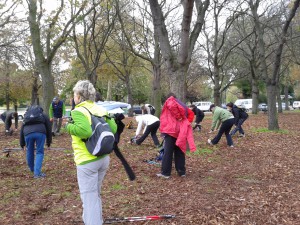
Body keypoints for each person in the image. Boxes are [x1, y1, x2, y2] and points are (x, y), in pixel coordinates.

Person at [65, 80, 117, 225]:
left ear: (79, 96)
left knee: (89, 197)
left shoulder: (78, 111)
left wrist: (68, 127)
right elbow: (113, 129)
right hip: (103, 158)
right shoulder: (100, 109)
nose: (74, 97)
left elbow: (84, 131)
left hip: (87, 160)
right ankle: (95, 219)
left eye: (75, 94)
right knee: (95, 194)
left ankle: (93, 222)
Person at [157, 93, 196, 179]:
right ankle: (181, 172)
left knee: (168, 152)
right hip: (180, 131)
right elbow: (191, 114)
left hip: (171, 130)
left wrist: (179, 117)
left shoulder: (170, 100)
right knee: (179, 150)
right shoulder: (182, 105)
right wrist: (186, 122)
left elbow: (171, 105)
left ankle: (165, 173)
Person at [20, 105, 52, 178]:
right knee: (39, 152)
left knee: (29, 151)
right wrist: (49, 142)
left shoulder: (26, 115)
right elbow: (48, 128)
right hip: (40, 133)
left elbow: (22, 129)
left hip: (27, 134)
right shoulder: (43, 115)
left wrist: (22, 143)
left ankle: (32, 169)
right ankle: (37, 173)